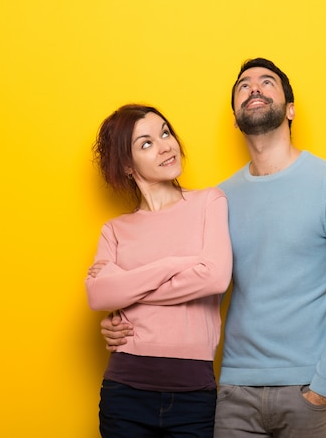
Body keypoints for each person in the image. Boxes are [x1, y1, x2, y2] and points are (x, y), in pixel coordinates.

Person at [100, 59, 326, 438]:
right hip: (233, 391)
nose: (254, 88)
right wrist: (123, 317)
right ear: (236, 117)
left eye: (267, 82)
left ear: (290, 109)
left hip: (306, 387)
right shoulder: (220, 198)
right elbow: (202, 286)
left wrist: (322, 387)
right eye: (244, 85)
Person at [85, 104, 233, 438]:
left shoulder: (209, 202)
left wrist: (128, 290)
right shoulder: (115, 230)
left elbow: (216, 277)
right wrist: (173, 265)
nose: (166, 145)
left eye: (165, 133)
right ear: (126, 164)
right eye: (146, 143)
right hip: (125, 391)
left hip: (193, 395)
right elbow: (97, 295)